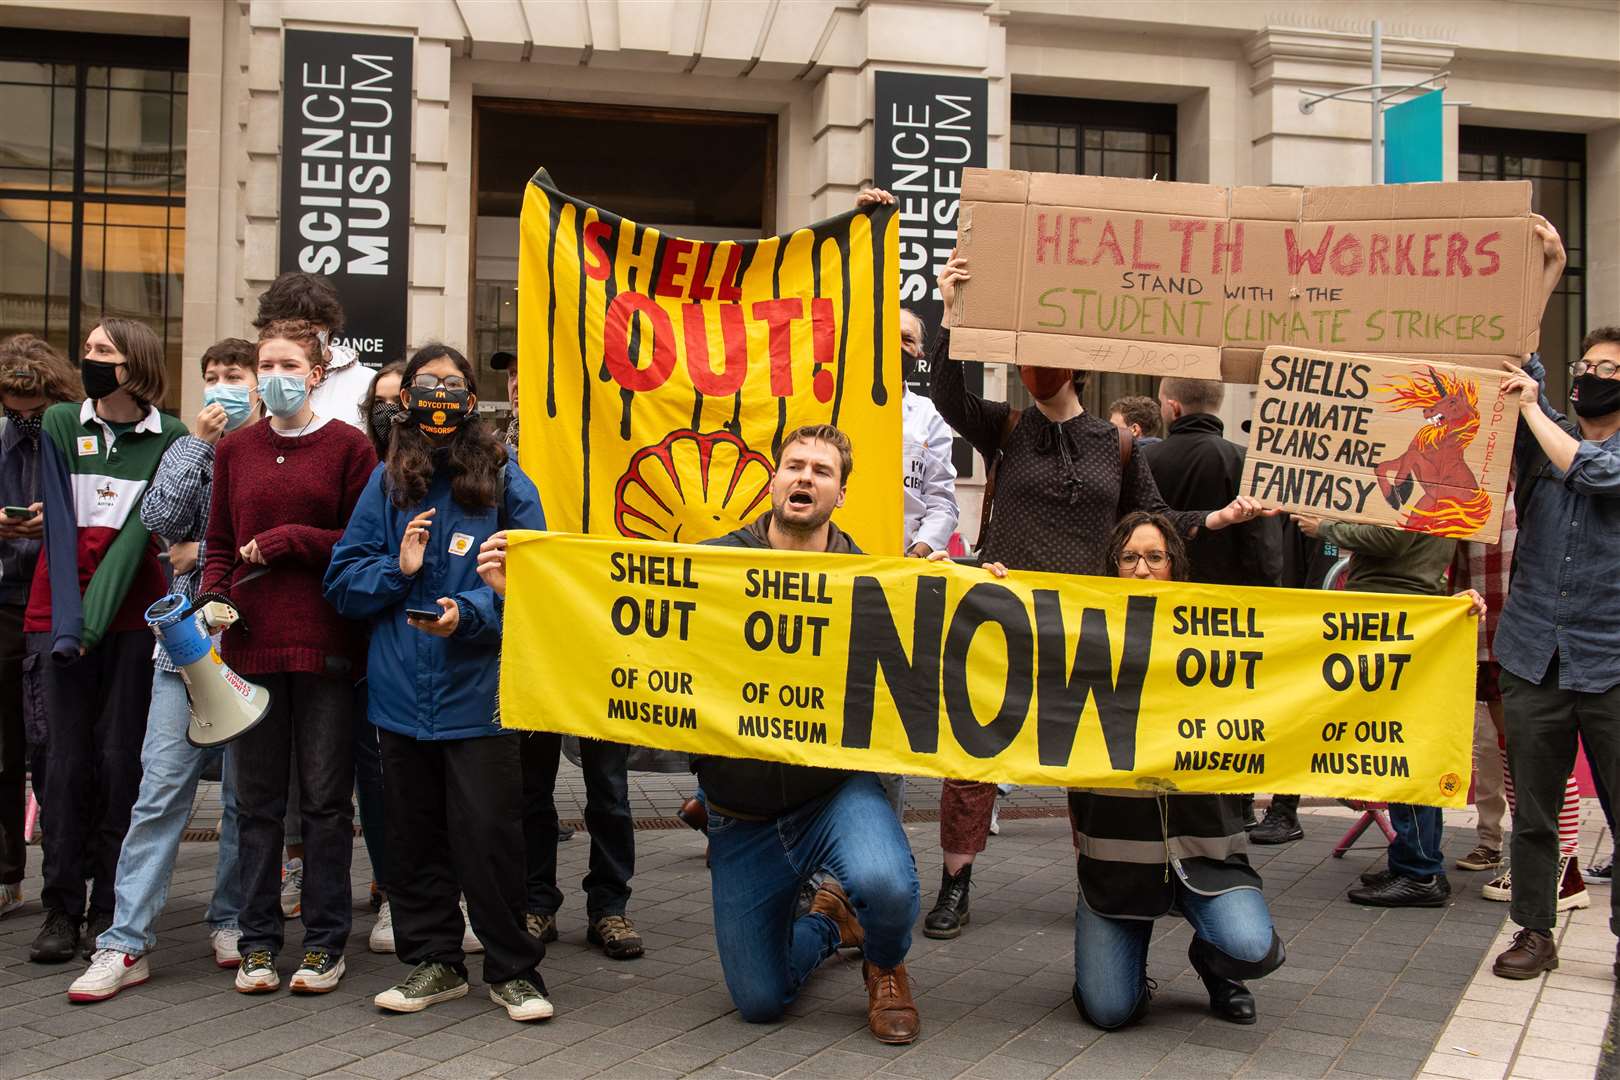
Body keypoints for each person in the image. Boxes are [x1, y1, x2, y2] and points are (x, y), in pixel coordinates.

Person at [479, 425, 924, 1043]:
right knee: (761, 1001)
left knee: (887, 886)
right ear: (773, 481)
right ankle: (832, 924)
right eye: (794, 465)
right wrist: (524, 595)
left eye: (821, 471)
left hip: (835, 797)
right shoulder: (709, 566)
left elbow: (932, 655)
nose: (804, 477)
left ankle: (885, 960)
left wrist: (983, 595)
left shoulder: (871, 577)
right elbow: (615, 629)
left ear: (841, 494)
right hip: (742, 814)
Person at [921, 252, 1273, 940]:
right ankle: (954, 884)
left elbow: (1156, 523)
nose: (1031, 368)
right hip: (1003, 617)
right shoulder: (1008, 429)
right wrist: (951, 311)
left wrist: (1218, 520)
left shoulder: (1118, 445)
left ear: (1077, 365)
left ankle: (1097, 881)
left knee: (1087, 759)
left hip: (1087, 628)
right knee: (973, 758)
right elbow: (946, 395)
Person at [325, 343, 552, 1021]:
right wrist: (397, 568)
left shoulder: (508, 480)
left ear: (473, 395)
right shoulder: (387, 479)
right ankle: (433, 963)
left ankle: (514, 972)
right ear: (406, 398)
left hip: (479, 697)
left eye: (453, 384)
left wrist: (473, 613)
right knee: (411, 839)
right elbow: (343, 578)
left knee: (489, 839)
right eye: (428, 383)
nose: (440, 394)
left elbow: (538, 585)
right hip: (399, 699)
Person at [67, 338, 260, 1001]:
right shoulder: (191, 444)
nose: (220, 386)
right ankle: (124, 943)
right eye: (211, 376)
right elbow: (159, 524)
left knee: (243, 798)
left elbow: (263, 541)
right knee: (160, 792)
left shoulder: (271, 449)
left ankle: (230, 920)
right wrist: (199, 447)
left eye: (233, 376)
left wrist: (200, 550)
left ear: (258, 383)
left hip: (250, 644)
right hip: (180, 649)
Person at [201, 319, 376, 994]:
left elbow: (360, 545)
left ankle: (326, 943)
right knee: (256, 804)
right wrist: (214, 594)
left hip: (326, 647)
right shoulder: (235, 451)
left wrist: (290, 540)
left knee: (329, 803)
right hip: (249, 645)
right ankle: (258, 943)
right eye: (263, 362)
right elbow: (219, 539)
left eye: (286, 364)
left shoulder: (349, 448)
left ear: (315, 373)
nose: (272, 374)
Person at [1069, 512, 1286, 1029]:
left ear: (1175, 568)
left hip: (1205, 851)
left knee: (1253, 948)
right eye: (1128, 558)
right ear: (1112, 568)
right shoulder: (1082, 638)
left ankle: (1215, 965)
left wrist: (1444, 619)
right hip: (1116, 865)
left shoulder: (1216, 640)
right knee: (1108, 1010)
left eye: (1155, 558)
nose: (1142, 570)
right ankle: (1120, 960)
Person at [25, 319, 187, 963]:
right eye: (88, 349)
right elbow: (59, 532)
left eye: (103, 351)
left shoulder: (171, 436)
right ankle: (60, 906)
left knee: (122, 761)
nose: (88, 359)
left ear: (136, 363)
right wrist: (71, 624)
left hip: (133, 623)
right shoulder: (63, 423)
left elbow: (148, 533)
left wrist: (95, 620)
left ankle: (109, 907)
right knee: (61, 764)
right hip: (56, 616)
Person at [1491, 324, 1620, 980]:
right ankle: (1534, 932)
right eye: (1587, 364)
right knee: (1534, 809)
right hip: (1533, 653)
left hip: (1610, 663)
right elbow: (1518, 359)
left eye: (1609, 368)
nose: (1593, 376)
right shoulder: (1541, 438)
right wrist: (1536, 271)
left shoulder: (1573, 447)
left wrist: (1533, 406)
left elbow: (1594, 472)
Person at [1290, 512, 1479, 908]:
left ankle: (1420, 871)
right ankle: (1412, 861)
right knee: (1395, 745)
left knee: (1403, 747)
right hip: (1401, 610)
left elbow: (1390, 539)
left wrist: (1325, 527)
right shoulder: (1429, 480)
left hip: (1397, 613)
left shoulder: (1421, 482)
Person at [0, 336, 82, 920]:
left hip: (58, 599)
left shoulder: (73, 432)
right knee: (4, 747)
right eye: (12, 410)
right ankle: (8, 873)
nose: (24, 421)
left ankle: (67, 876)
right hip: (6, 595)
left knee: (55, 746)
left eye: (34, 411)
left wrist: (50, 522)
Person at [1144, 378, 1281, 590]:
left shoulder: (1144, 458)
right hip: (1224, 602)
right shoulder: (1244, 461)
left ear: (1174, 407)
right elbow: (1262, 547)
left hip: (1157, 590)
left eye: (1161, 403)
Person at [253, 272, 372, 430]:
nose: (297, 334)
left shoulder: (368, 384)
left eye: (309, 327)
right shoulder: (251, 382)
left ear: (328, 327)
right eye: (288, 326)